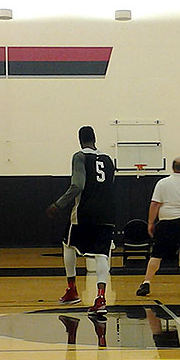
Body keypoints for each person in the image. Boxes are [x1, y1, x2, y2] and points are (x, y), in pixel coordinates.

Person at [47, 126, 116, 318]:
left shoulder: (79, 156)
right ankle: (101, 299)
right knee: (102, 254)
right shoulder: (108, 159)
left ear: (80, 140)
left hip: (85, 212)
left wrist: (58, 204)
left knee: (68, 245)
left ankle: (72, 290)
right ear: (95, 139)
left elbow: (78, 185)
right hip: (108, 213)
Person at [135, 157, 180, 298]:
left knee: (157, 254)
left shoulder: (162, 183)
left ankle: (146, 283)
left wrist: (150, 223)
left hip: (166, 223)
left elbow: (155, 204)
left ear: (172, 168)